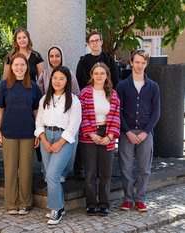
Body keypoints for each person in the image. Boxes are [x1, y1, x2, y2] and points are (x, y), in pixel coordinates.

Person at [0, 53, 42, 215]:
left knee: (26, 170)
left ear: (27, 67)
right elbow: (0, 110)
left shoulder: (34, 86)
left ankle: (25, 203)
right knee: (10, 169)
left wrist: (38, 133)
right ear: (12, 67)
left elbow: (37, 112)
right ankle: (11, 203)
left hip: (28, 133)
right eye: (16, 65)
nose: (19, 68)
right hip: (9, 132)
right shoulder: (4, 85)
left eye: (22, 65)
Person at [35, 65, 81, 224]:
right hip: (46, 137)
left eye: (62, 78)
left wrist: (59, 143)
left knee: (53, 175)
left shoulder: (74, 100)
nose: (58, 81)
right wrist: (44, 140)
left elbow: (74, 125)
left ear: (67, 81)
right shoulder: (44, 99)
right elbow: (39, 121)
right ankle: (60, 206)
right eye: (55, 78)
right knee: (50, 176)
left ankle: (55, 210)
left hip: (64, 139)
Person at [116, 50, 160, 212]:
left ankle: (140, 198)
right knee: (125, 167)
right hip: (126, 132)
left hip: (145, 132)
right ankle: (128, 198)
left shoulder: (153, 86)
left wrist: (145, 132)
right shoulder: (122, 85)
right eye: (137, 62)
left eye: (143, 62)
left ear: (146, 64)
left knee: (144, 168)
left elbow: (156, 112)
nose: (140, 65)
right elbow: (117, 111)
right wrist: (126, 131)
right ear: (131, 62)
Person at [74, 30, 120, 179]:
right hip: (88, 101)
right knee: (87, 146)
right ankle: (79, 168)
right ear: (88, 44)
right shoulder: (83, 61)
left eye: (97, 40)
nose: (94, 43)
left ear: (101, 41)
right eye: (91, 41)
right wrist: (87, 97)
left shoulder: (109, 59)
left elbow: (116, 81)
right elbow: (80, 82)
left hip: (105, 98)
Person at [79, 62, 121, 216]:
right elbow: (81, 115)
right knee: (90, 172)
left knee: (105, 172)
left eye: (102, 73)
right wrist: (92, 134)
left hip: (107, 132)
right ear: (92, 75)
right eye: (96, 73)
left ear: (106, 75)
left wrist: (110, 136)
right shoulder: (84, 93)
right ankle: (91, 204)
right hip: (89, 134)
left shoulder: (113, 94)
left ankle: (104, 203)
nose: (99, 76)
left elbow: (116, 115)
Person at [37, 46, 80, 182]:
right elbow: (40, 94)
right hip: (47, 118)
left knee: (59, 171)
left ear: (62, 57)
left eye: (57, 56)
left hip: (64, 121)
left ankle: (63, 176)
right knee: (48, 171)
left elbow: (76, 94)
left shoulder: (70, 75)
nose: (54, 59)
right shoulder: (43, 74)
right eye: (51, 56)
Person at [3, 27, 44, 167]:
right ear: (16, 40)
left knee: (33, 129)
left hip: (31, 95)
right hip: (14, 96)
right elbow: (6, 78)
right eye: (19, 37)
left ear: (28, 38)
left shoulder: (36, 56)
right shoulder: (10, 56)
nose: (22, 40)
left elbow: (42, 78)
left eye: (24, 37)